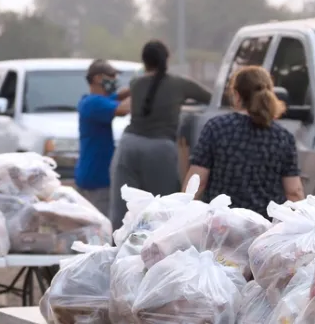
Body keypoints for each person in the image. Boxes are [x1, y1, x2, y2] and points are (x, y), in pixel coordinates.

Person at [109, 40, 212, 232]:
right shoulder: (180, 84)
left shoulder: (136, 83)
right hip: (160, 149)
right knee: (164, 213)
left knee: (123, 210)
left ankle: (119, 255)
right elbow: (212, 98)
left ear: (144, 61)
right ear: (167, 59)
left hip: (129, 145)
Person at [183, 65, 304, 218]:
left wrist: (181, 213)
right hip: (264, 229)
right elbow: (294, 192)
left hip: (221, 225)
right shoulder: (283, 137)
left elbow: (198, 181)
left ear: (236, 95)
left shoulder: (217, 128)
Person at [74, 60, 131, 216]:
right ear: (98, 78)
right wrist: (142, 89)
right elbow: (122, 109)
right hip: (97, 180)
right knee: (101, 228)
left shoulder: (93, 100)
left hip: (91, 176)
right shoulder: (93, 103)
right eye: (111, 76)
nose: (114, 80)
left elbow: (119, 96)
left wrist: (134, 86)